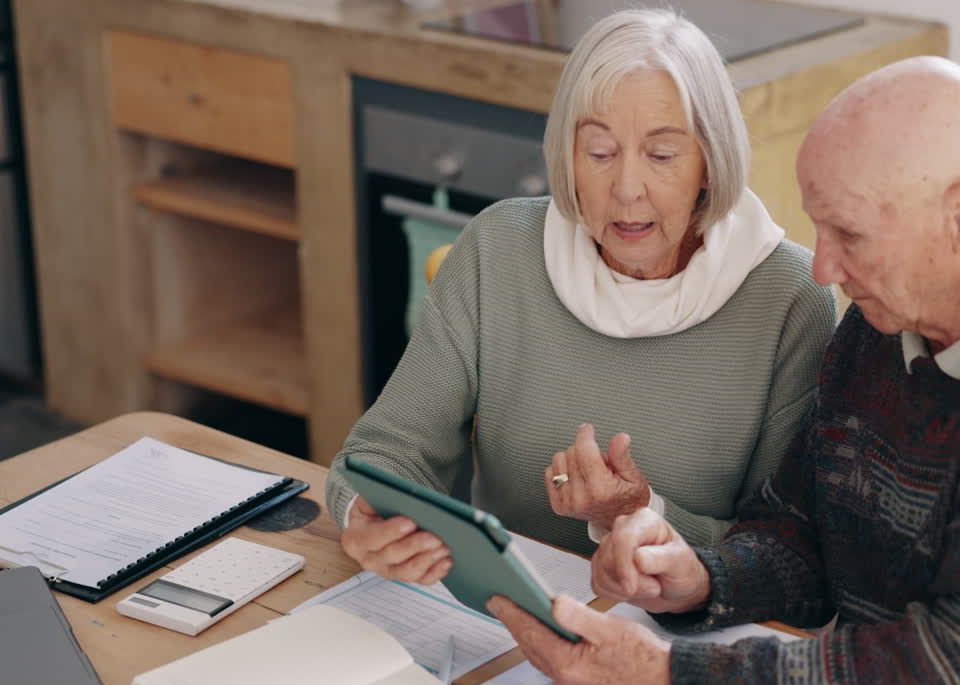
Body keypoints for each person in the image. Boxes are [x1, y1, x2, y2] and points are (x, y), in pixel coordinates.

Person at [488, 56, 960, 685]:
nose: (824, 267)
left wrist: (666, 672)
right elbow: (801, 534)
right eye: (819, 229)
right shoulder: (880, 326)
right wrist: (699, 579)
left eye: (849, 234)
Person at [324, 8, 837, 584]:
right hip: (500, 614)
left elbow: (783, 551)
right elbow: (385, 451)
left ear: (709, 166)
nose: (625, 188)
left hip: (677, 637)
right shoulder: (497, 248)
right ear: (568, 156)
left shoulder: (791, 298)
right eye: (599, 152)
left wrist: (639, 514)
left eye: (662, 156)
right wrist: (366, 514)